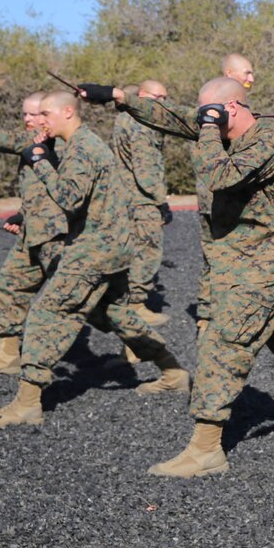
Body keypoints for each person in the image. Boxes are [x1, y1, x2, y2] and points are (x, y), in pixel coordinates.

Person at [76, 77, 274, 477]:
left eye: (211, 114)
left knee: (223, 342)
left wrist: (205, 128)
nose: (203, 121)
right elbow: (173, 117)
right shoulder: (217, 128)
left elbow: (218, 174)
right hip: (240, 261)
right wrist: (118, 97)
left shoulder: (266, 140)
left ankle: (206, 449)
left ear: (231, 108)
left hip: (268, 264)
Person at [0, 91, 189, 429]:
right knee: (114, 313)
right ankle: (172, 370)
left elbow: (69, 198)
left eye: (45, 114)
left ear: (67, 112)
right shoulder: (84, 143)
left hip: (96, 249)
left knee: (46, 313)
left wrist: (40, 162)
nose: (40, 120)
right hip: (111, 246)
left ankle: (26, 403)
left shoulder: (81, 148)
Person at [0, 93, 69, 375]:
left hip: (61, 237)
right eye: (26, 115)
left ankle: (154, 357)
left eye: (35, 114)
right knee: (8, 287)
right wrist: (24, 214)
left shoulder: (71, 147)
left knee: (95, 304)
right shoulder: (32, 141)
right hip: (33, 232)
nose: (29, 120)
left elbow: (77, 195)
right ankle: (8, 354)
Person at [109, 79, 172, 349]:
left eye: (165, 99)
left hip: (127, 197)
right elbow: (146, 171)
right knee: (147, 251)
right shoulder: (141, 124)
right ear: (143, 96)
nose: (163, 104)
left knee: (134, 250)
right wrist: (161, 201)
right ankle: (136, 303)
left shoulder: (125, 119)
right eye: (157, 98)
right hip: (141, 200)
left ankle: (129, 301)